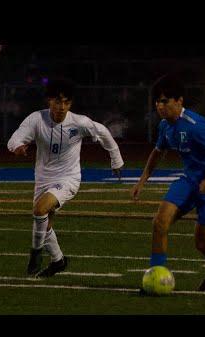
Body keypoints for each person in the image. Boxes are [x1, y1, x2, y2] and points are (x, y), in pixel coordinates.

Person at [7, 78, 124, 277]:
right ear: (49, 101)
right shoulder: (36, 119)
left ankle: (35, 253)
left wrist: (116, 160)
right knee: (45, 222)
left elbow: (103, 132)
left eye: (66, 102)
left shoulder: (79, 122)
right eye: (57, 101)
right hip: (43, 179)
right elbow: (15, 138)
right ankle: (58, 261)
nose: (62, 107)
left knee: (40, 209)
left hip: (68, 178)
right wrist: (17, 147)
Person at [131, 74, 205, 292]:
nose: (160, 106)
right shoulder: (165, 126)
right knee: (160, 222)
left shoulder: (195, 125)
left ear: (179, 101)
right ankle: (155, 276)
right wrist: (142, 181)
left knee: (202, 243)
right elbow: (157, 153)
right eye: (158, 101)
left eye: (165, 101)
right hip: (189, 180)